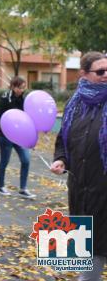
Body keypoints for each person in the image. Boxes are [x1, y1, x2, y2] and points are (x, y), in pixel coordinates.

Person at [50, 51, 107, 281]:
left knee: (98, 249)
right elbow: (63, 140)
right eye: (101, 71)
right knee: (88, 248)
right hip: (80, 189)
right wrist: (60, 159)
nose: (106, 76)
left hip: (104, 191)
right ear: (83, 74)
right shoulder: (74, 104)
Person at [0, 76, 35, 199]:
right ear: (13, 87)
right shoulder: (5, 98)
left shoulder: (24, 99)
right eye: (20, 88)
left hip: (20, 136)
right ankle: (1, 186)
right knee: (4, 161)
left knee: (26, 160)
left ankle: (23, 189)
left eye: (24, 88)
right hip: (6, 135)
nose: (22, 90)